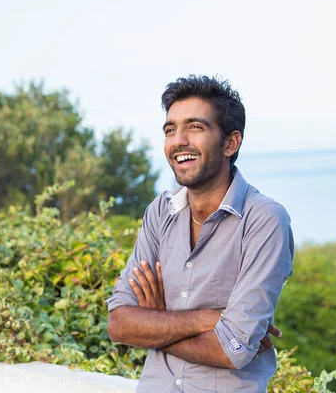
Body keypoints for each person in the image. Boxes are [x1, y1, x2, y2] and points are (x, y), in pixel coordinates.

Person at [106, 75, 294, 392]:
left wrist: (155, 321)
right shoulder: (159, 212)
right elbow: (120, 324)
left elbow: (231, 349)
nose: (178, 140)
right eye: (170, 129)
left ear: (230, 143)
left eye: (195, 127)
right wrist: (208, 318)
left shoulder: (264, 220)